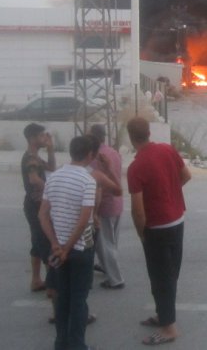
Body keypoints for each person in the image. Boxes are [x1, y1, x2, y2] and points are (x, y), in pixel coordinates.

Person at [127, 116, 191, 346]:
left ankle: (169, 329)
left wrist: (140, 232)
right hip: (177, 221)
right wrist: (168, 192)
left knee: (160, 278)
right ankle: (163, 315)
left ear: (130, 137)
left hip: (157, 228)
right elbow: (186, 175)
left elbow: (137, 210)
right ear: (149, 132)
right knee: (169, 274)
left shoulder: (136, 167)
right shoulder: (167, 150)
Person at [38, 136, 97, 350]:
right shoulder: (88, 180)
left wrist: (56, 244)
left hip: (58, 249)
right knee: (79, 300)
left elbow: (43, 214)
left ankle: (61, 343)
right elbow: (83, 221)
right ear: (90, 155)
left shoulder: (53, 177)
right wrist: (68, 247)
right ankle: (77, 345)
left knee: (62, 298)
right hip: (80, 249)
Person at [86, 124, 126, 289]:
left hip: (104, 205)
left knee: (105, 245)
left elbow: (96, 187)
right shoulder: (114, 152)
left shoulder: (95, 157)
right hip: (117, 204)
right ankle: (105, 266)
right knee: (112, 241)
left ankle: (115, 279)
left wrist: (93, 212)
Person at [21, 123, 56, 293]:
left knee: (36, 242)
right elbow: (34, 179)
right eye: (42, 136)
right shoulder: (31, 158)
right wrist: (50, 189)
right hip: (35, 207)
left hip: (35, 205)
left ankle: (36, 280)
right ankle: (51, 286)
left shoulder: (35, 156)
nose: (45, 138)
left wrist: (50, 149)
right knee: (45, 242)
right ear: (32, 138)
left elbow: (51, 168)